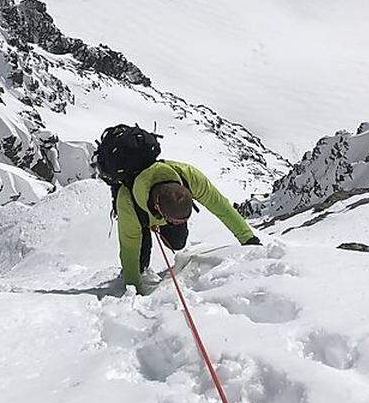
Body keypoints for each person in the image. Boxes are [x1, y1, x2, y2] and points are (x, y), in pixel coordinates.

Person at [94, 125, 260, 294]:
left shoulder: (189, 176)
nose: (180, 223)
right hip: (139, 208)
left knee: (178, 243)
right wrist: (132, 287)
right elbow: (129, 246)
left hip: (153, 204)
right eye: (176, 221)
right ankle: (143, 249)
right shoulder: (127, 202)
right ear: (160, 209)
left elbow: (222, 207)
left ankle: (151, 227)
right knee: (139, 255)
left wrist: (248, 238)